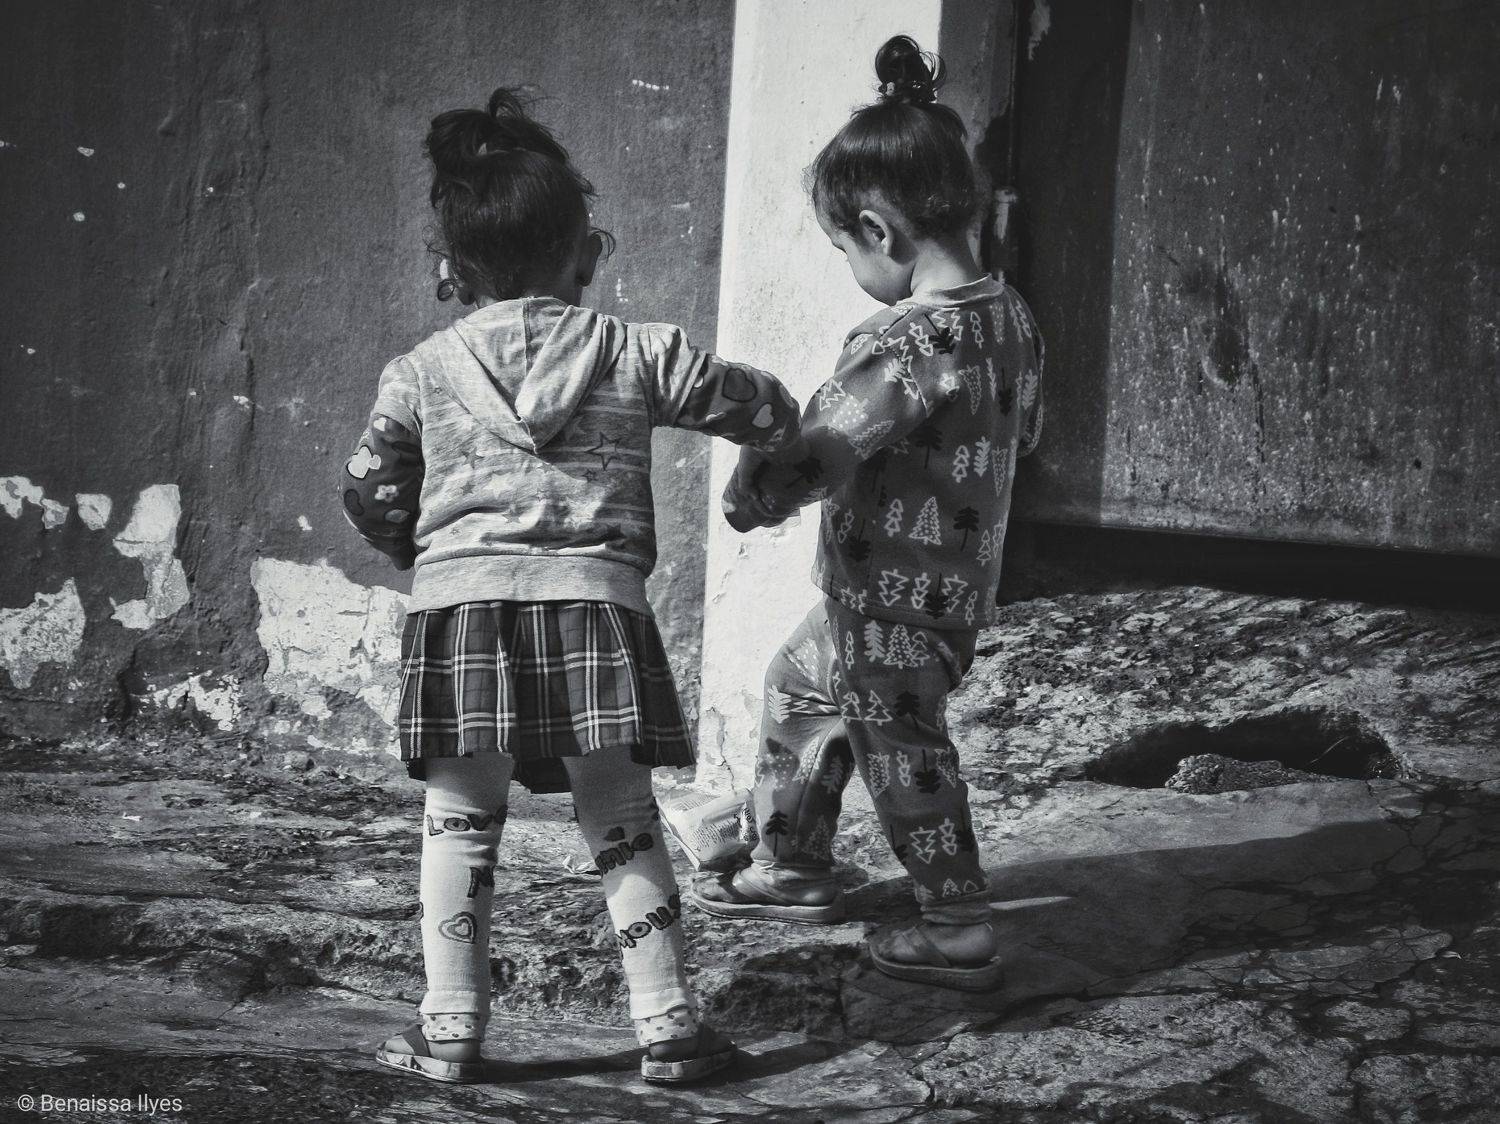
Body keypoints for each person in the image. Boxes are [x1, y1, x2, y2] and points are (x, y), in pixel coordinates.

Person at [341, 86, 802, 1084]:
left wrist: (422, 558)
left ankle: (451, 1027)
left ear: (448, 272)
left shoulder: (419, 371)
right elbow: (758, 403)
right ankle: (670, 1023)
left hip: (460, 613)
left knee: (459, 823)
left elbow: (371, 486)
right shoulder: (641, 352)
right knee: (622, 816)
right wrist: (779, 450)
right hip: (595, 608)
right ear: (585, 253)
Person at [692, 36, 1044, 993]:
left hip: (888, 595)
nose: (850, 263)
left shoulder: (908, 337)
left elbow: (822, 448)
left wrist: (755, 493)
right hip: (941, 588)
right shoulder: (1008, 318)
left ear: (879, 230)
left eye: (843, 247)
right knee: (804, 690)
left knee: (900, 750)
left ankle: (958, 922)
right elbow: (1027, 432)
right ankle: (791, 863)